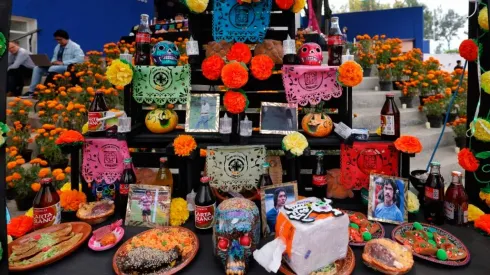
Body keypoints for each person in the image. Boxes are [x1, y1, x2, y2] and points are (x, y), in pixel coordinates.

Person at [26, 29, 84, 96]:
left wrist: (63, 62)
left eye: (60, 39)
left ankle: (46, 89)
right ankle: (31, 91)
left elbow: (80, 59)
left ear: (66, 38)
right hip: (56, 66)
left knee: (53, 69)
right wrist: (52, 62)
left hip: (67, 67)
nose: (58, 41)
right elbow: (54, 57)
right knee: (37, 68)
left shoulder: (75, 46)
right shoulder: (57, 47)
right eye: (56, 40)